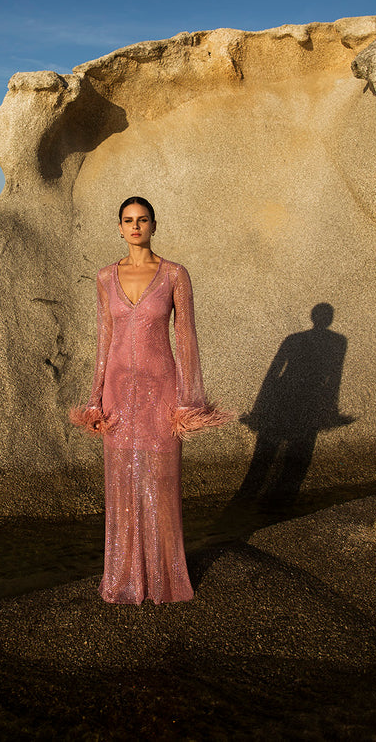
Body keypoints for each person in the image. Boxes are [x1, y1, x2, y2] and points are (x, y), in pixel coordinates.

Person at [70, 196, 231, 604]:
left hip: (162, 391)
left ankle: (166, 580)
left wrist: (188, 401)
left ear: (154, 225)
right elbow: (105, 340)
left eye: (143, 219)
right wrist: (94, 400)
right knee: (121, 483)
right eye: (128, 220)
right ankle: (123, 578)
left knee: (161, 481)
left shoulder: (175, 274)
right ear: (119, 228)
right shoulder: (105, 277)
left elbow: (186, 338)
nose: (136, 226)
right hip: (118, 395)